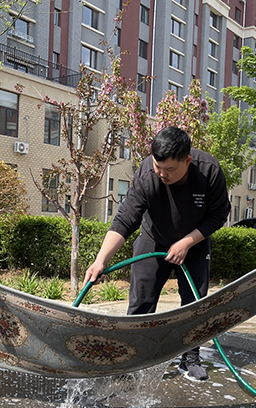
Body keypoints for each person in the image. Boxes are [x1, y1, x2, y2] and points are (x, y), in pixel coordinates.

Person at [83, 126, 230, 381]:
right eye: (157, 166)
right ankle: (133, 358)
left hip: (193, 243)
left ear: (187, 160)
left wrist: (187, 242)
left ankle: (190, 358)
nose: (162, 174)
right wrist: (100, 260)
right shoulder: (147, 174)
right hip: (153, 240)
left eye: (170, 169)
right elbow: (125, 219)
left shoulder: (209, 170)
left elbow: (218, 215)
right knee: (141, 301)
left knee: (194, 304)